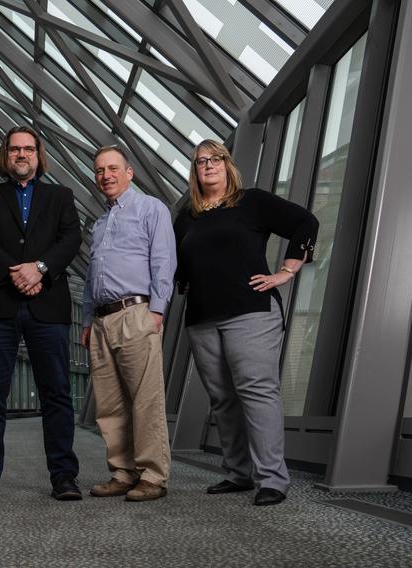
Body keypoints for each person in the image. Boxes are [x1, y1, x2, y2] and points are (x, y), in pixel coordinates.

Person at [173, 139, 318, 506]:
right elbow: (174, 262)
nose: (209, 165)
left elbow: (306, 222)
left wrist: (286, 271)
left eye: (216, 158)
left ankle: (272, 479)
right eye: (201, 161)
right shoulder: (187, 216)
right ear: (195, 170)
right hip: (202, 318)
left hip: (250, 311)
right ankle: (238, 473)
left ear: (227, 164)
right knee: (222, 399)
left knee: (256, 391)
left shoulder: (251, 201)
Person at [0, 126, 82, 502]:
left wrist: (39, 268)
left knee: (57, 394)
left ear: (38, 155)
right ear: (6, 156)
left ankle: (63, 476)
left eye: (28, 149)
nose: (21, 155)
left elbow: (71, 240)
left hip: (47, 306)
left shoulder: (61, 196)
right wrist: (17, 272)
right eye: (15, 149)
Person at [80, 146, 175, 502]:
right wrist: (88, 319)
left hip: (137, 313)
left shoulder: (151, 209)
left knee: (145, 399)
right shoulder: (100, 224)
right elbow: (91, 278)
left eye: (112, 168)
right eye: (100, 170)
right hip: (102, 322)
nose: (106, 175)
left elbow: (163, 262)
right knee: (110, 404)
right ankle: (122, 472)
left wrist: (157, 311)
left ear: (129, 172)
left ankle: (153, 475)